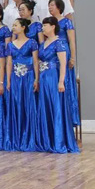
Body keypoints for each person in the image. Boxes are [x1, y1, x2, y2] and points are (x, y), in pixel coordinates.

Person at [36, 17, 79, 153]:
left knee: (56, 106)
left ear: (53, 26)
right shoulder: (42, 44)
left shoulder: (59, 43)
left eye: (45, 25)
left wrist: (61, 81)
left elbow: (63, 64)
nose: (43, 28)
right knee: (45, 106)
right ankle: (47, 140)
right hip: (43, 78)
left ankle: (58, 140)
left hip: (53, 77)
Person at [4, 18, 39, 152]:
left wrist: (36, 79)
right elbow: (9, 63)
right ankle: (16, 138)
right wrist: (8, 80)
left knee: (28, 105)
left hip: (28, 77)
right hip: (15, 77)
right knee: (16, 104)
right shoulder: (10, 45)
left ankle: (29, 138)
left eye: (16, 25)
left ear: (23, 27)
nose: (13, 27)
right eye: (12, 25)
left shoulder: (32, 42)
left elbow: (35, 62)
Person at [48, 0, 80, 126]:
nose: (50, 7)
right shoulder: (48, 22)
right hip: (51, 54)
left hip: (63, 52)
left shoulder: (67, 22)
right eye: (49, 5)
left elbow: (71, 41)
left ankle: (68, 115)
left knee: (64, 79)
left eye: (52, 5)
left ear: (59, 7)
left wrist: (72, 58)